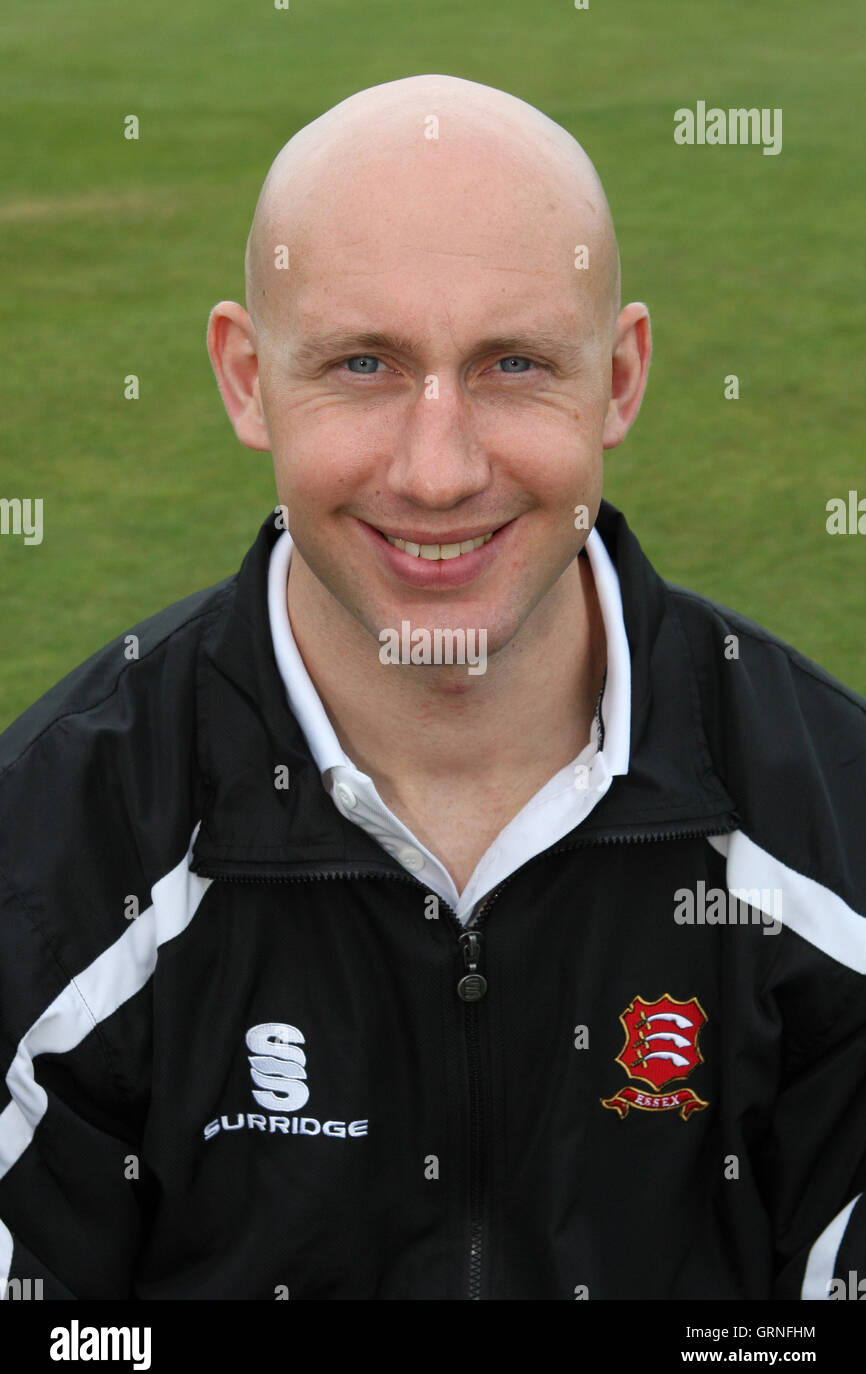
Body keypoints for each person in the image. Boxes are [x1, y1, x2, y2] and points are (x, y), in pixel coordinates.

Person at [0, 74, 863, 1302]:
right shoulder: (53, 857)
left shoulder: (831, 829)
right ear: (246, 379)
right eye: (362, 364)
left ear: (618, 379)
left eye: (512, 363)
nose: (440, 469)